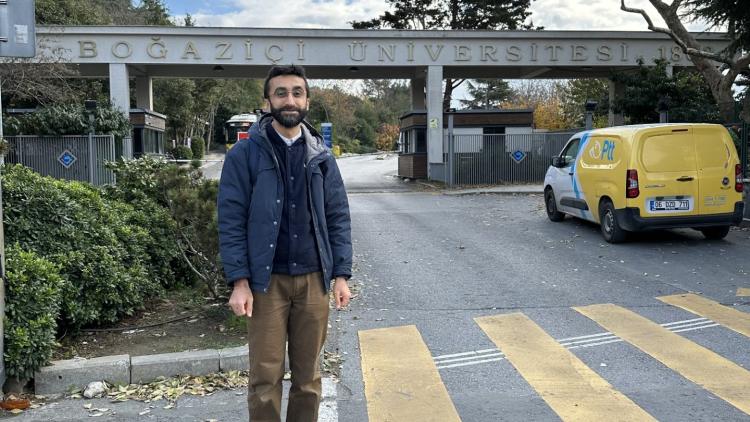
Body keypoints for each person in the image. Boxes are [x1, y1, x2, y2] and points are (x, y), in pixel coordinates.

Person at [218, 64, 352, 421]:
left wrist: (341, 274)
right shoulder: (243, 156)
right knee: (265, 379)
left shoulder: (322, 156)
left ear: (306, 100)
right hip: (266, 283)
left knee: (309, 380)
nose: (289, 99)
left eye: (296, 92)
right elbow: (231, 221)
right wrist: (240, 282)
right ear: (267, 102)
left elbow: (338, 216)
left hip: (314, 281)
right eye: (281, 93)